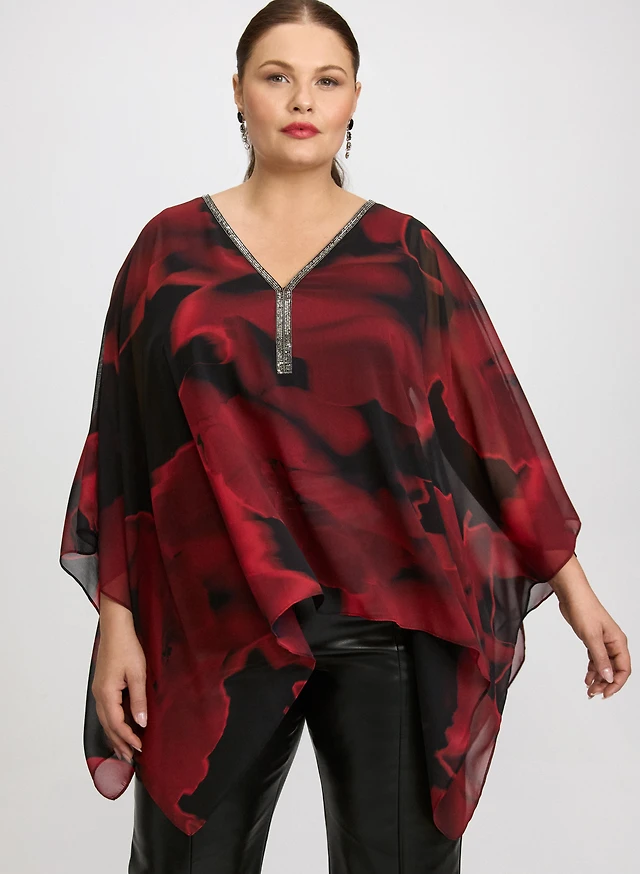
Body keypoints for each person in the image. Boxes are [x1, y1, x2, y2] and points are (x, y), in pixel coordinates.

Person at [59, 2, 631, 872]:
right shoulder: (167, 252)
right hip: (211, 623)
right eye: (277, 76)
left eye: (326, 80)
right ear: (239, 92)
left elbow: (496, 430)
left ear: (355, 98)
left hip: (392, 620)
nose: (303, 100)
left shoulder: (408, 255)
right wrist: (117, 624)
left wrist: (577, 593)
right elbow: (123, 449)